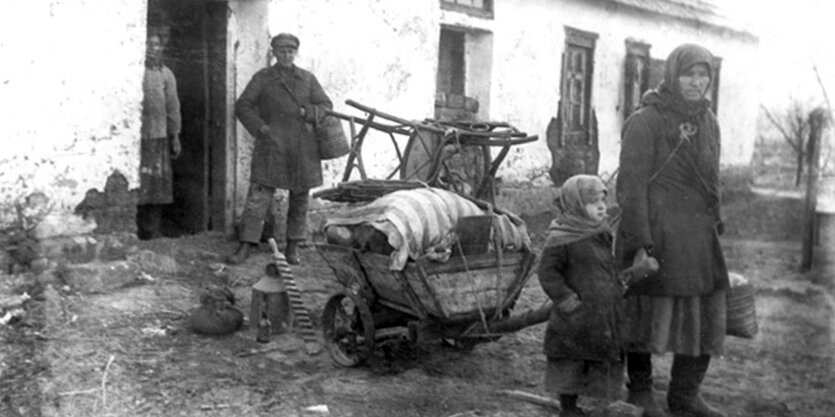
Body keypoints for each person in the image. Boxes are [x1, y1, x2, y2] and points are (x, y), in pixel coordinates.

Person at [616, 43, 729, 417]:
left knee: (704, 312)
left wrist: (715, 217)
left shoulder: (708, 120)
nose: (697, 82)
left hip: (697, 233)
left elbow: (711, 176)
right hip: (656, 230)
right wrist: (640, 243)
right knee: (644, 311)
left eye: (703, 75)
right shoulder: (645, 120)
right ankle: (641, 389)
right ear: (672, 74)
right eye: (689, 74)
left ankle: (684, 393)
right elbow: (630, 188)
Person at [227, 33, 334, 265]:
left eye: (290, 52)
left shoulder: (307, 79)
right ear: (274, 53)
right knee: (259, 197)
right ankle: (246, 244)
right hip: (272, 145)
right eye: (282, 51)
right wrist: (261, 128)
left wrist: (309, 112)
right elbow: (243, 105)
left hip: (301, 147)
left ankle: (293, 246)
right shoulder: (263, 78)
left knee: (299, 198)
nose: (286, 55)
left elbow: (326, 105)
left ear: (295, 53)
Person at [538, 174, 624, 417]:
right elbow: (548, 274)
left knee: (598, 355)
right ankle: (568, 407)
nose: (601, 206)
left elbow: (606, 266)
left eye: (603, 201)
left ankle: (597, 403)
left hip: (600, 311)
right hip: (574, 315)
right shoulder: (561, 236)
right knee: (569, 362)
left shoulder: (601, 232)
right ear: (575, 203)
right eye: (593, 201)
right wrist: (567, 301)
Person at [137, 27, 181, 240]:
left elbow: (173, 107)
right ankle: (137, 229)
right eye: (149, 44)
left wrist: (175, 135)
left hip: (160, 136)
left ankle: (151, 229)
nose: (153, 49)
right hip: (138, 140)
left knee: (158, 185)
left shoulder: (166, 75)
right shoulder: (136, 71)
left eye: (157, 45)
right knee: (141, 183)